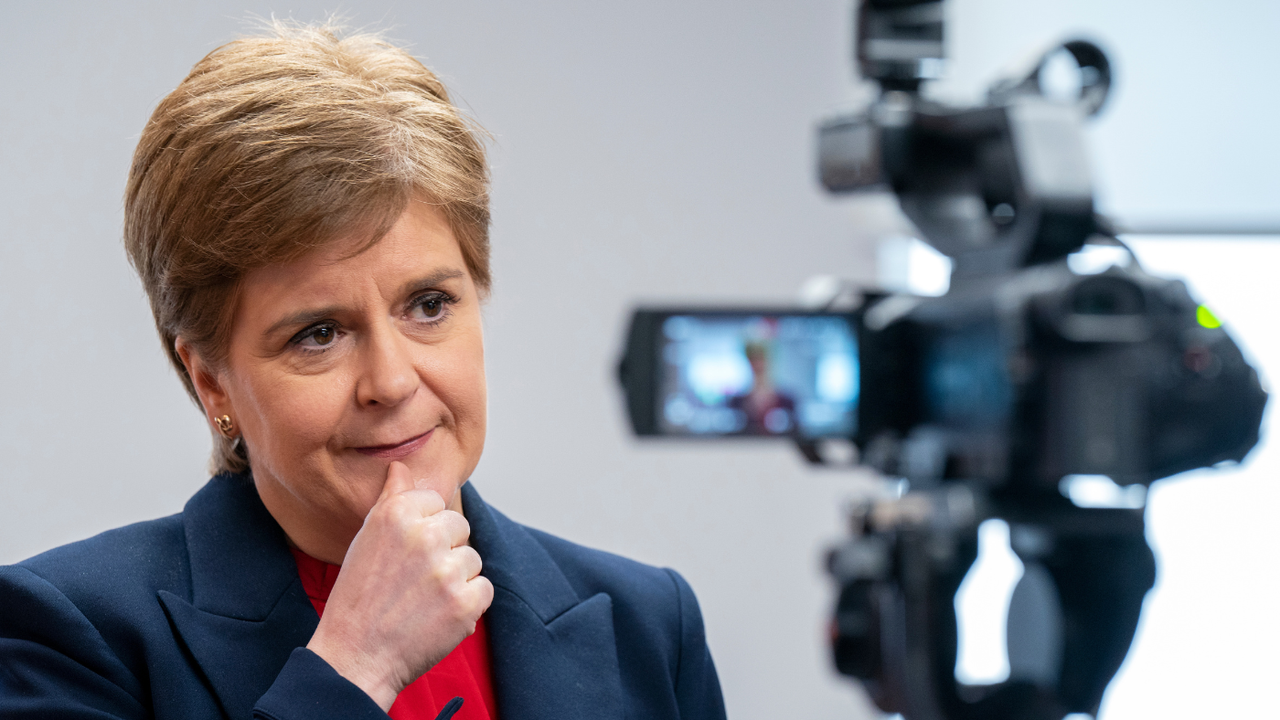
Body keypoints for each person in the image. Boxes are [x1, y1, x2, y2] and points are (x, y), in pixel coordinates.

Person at [0, 23, 726, 720]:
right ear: (211, 379)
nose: (394, 380)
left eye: (430, 304)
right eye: (319, 334)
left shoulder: (650, 629)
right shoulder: (67, 635)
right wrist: (356, 665)